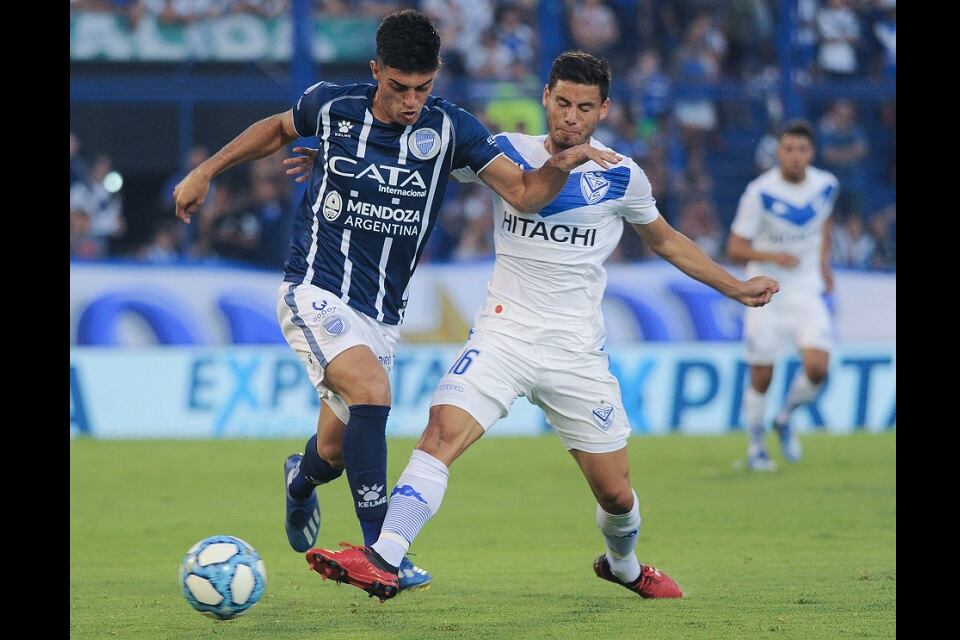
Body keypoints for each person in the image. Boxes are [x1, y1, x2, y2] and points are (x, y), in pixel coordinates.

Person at [290, 51, 779, 602]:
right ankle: (385, 556)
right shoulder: (506, 153)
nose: (571, 117)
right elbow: (405, 158)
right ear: (546, 97)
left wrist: (734, 287)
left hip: (576, 353)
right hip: (502, 335)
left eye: (585, 107)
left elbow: (666, 240)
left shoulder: (622, 176)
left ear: (604, 111)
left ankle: (624, 564)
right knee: (440, 435)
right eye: (564, 102)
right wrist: (336, 158)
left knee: (616, 495)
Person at [172, 10, 621, 593]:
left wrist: (562, 161)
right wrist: (207, 170)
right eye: (399, 87)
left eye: (424, 88)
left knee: (332, 453)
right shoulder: (332, 107)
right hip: (314, 287)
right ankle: (382, 554)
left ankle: (300, 480)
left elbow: (526, 193)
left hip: (379, 313)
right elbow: (279, 128)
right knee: (372, 393)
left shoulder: (451, 130)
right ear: (375, 71)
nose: (412, 101)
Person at [725, 120, 837, 472]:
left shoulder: (826, 185)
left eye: (801, 149)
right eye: (788, 149)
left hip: (805, 290)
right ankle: (756, 446)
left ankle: (786, 416)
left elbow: (824, 223)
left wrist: (823, 265)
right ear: (778, 152)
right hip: (766, 293)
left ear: (811, 153)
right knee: (763, 376)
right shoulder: (759, 192)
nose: (794, 156)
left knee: (818, 367)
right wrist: (774, 257)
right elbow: (735, 247)